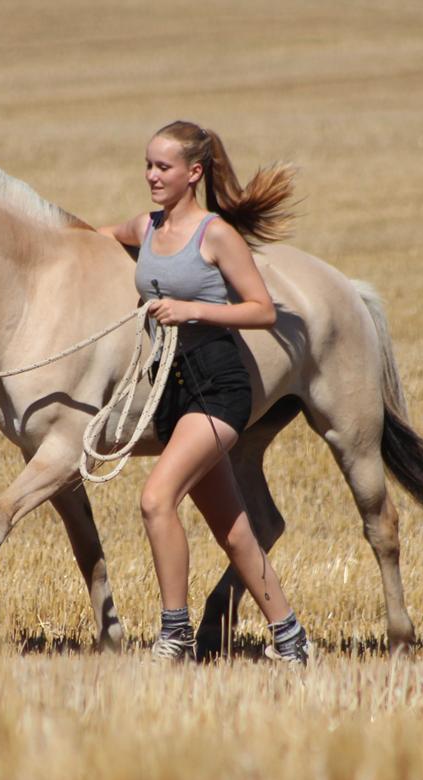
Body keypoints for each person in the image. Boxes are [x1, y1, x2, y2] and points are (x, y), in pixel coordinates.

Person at [99, 121, 311, 664]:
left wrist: (193, 309)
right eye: (147, 164)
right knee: (236, 533)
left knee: (155, 500)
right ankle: (292, 640)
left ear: (193, 173)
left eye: (162, 167)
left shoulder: (215, 234)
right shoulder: (146, 227)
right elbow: (91, 239)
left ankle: (175, 635)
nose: (150, 175)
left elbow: (261, 310)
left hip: (218, 386)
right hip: (168, 390)